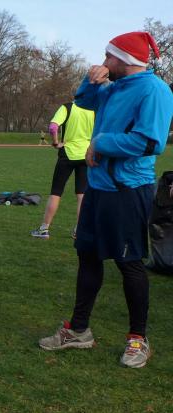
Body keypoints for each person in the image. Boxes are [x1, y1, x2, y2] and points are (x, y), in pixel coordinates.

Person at [39, 31, 173, 369]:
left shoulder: (155, 90)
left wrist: (100, 143)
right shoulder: (113, 88)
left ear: (126, 59)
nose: (103, 61)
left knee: (129, 263)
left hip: (128, 189)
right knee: (87, 256)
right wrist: (90, 80)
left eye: (109, 56)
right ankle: (78, 330)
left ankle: (138, 338)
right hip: (98, 188)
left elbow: (150, 142)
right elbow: (83, 102)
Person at [30, 102, 94, 239]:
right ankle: (78, 230)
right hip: (86, 154)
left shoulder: (67, 107)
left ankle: (44, 229)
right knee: (81, 194)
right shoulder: (93, 108)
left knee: (56, 192)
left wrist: (55, 142)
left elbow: (53, 127)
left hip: (68, 153)